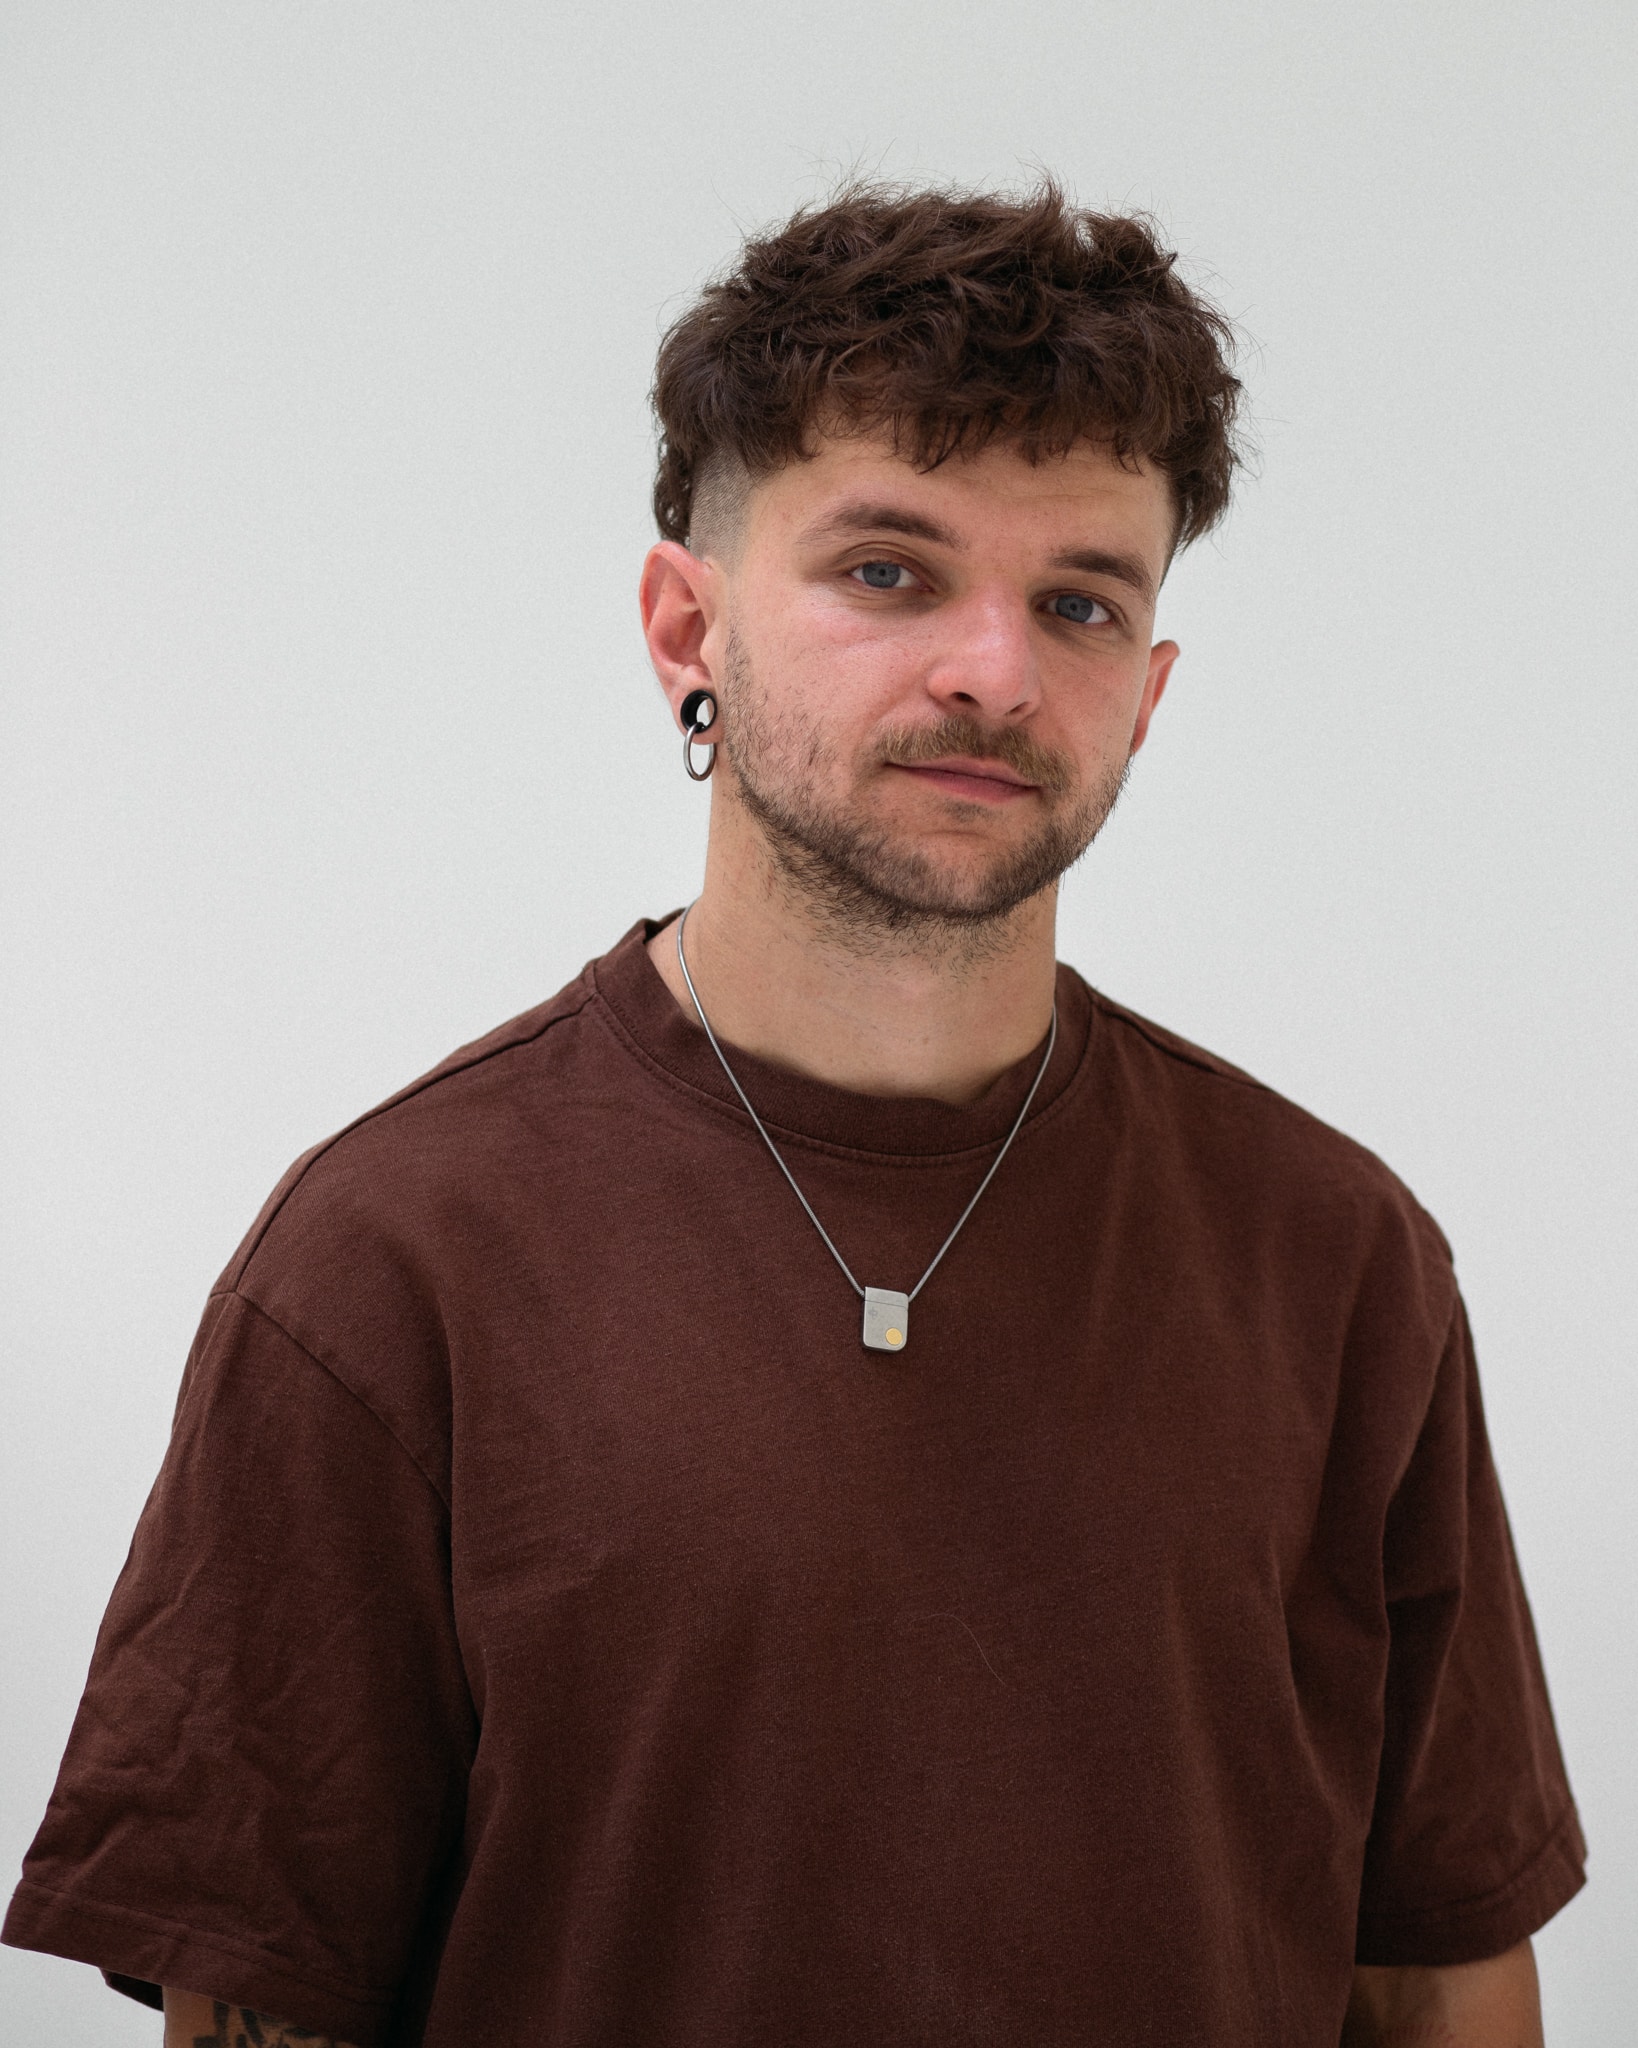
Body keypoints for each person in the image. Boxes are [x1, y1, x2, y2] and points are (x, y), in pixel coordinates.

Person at [4, 183, 1583, 2048]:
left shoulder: (1332, 1256)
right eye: (889, 572)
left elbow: (1439, 1967)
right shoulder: (389, 1262)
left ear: (1145, 697)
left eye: (1078, 601)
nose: (992, 671)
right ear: (689, 624)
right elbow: (263, 2003)